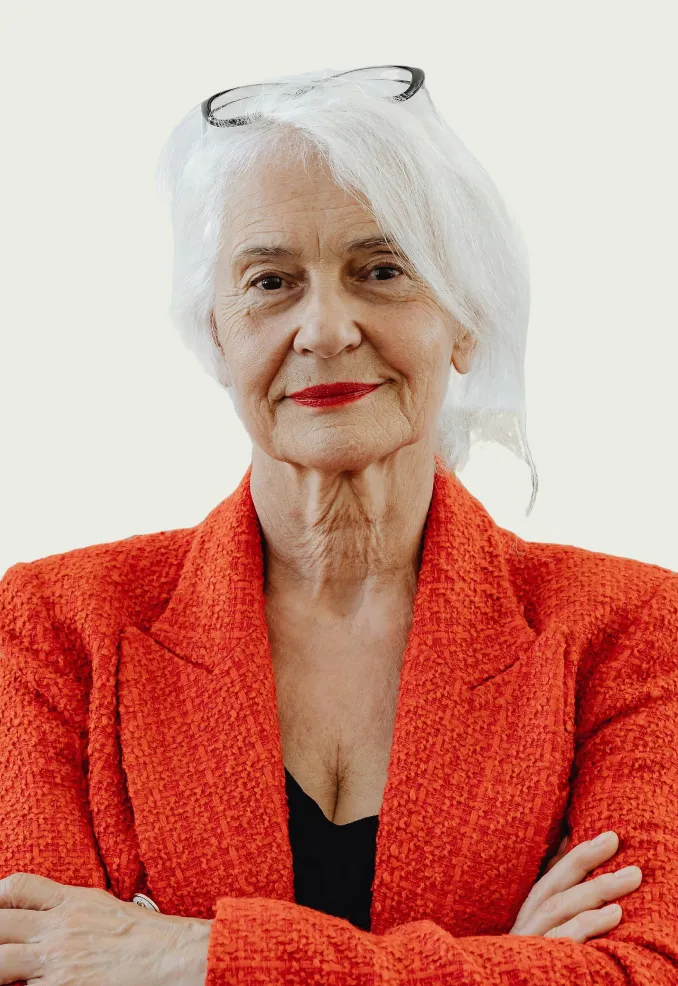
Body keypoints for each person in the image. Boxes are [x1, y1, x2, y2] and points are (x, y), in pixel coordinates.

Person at [1, 64, 676, 986]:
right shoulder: (52, 625)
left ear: (465, 319)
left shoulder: (632, 628)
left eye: (382, 271)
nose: (325, 329)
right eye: (271, 281)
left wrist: (190, 954)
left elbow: (643, 971)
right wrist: (510, 965)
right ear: (217, 332)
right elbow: (34, 964)